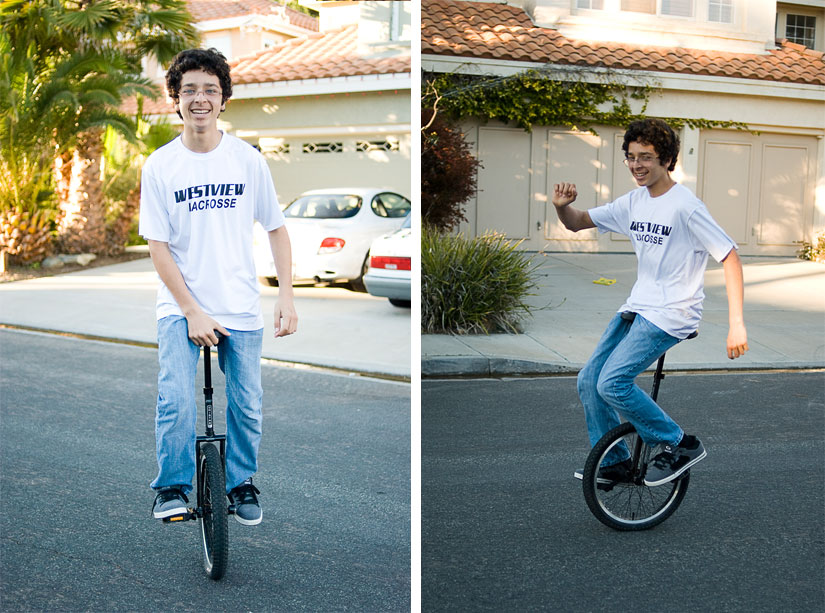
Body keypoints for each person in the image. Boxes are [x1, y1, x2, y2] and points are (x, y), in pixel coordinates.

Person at [140, 48, 297, 525]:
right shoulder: (160, 165)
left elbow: (276, 228)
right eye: (189, 90)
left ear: (224, 98)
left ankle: (242, 483)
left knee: (247, 402)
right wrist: (191, 310)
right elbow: (159, 247)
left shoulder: (247, 161)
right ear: (176, 99)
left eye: (210, 89)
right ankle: (171, 486)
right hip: (181, 305)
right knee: (176, 398)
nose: (200, 99)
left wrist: (286, 296)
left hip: (239, 306)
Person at [553, 118, 748, 487]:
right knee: (588, 380)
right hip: (639, 306)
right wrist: (562, 207)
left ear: (667, 159)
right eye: (630, 157)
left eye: (645, 157)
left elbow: (729, 256)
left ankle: (680, 444)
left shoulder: (685, 206)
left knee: (612, 383)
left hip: (673, 312)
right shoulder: (634, 202)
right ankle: (614, 461)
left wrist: (736, 323)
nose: (636, 165)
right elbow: (577, 222)